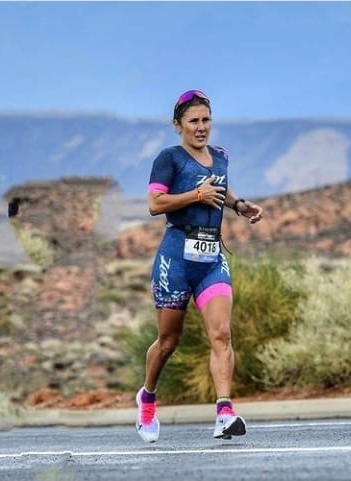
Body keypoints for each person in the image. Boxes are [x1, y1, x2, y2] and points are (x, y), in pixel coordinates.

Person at [135, 89, 264, 443]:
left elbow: (221, 189)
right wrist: (195, 196)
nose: (201, 127)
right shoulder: (170, 159)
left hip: (211, 258)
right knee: (168, 340)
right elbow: (154, 203)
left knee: (221, 333)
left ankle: (224, 412)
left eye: (206, 119)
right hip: (176, 257)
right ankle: (147, 398)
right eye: (194, 121)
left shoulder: (220, 156)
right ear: (178, 125)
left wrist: (239, 206)